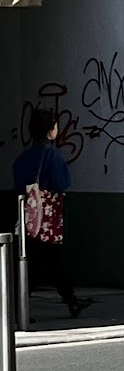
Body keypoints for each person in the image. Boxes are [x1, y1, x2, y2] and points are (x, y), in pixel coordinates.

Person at [13, 107, 91, 319]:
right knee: (42, 261)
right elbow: (63, 182)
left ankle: (71, 300)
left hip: (28, 214)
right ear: (51, 130)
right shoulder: (53, 155)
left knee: (46, 259)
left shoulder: (23, 158)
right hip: (47, 217)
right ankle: (18, 307)